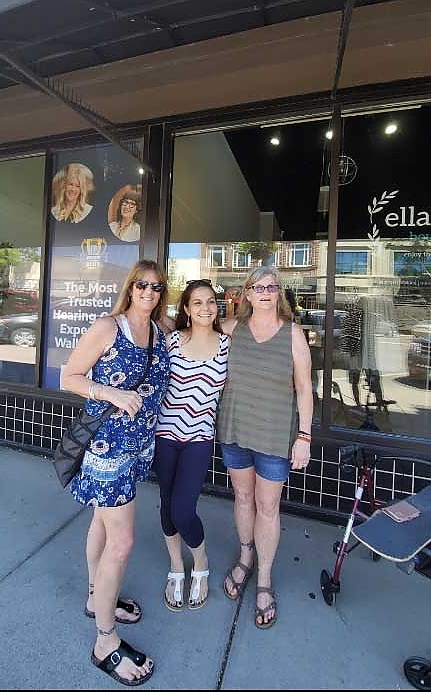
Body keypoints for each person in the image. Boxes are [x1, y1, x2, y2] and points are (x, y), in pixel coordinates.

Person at [62, 259, 170, 686]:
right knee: (122, 542)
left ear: (163, 293)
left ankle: (95, 598)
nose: (148, 291)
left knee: (103, 528)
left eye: (157, 286)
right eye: (141, 284)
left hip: (139, 449)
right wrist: (107, 391)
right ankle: (105, 641)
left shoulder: (159, 334)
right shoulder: (108, 327)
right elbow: (69, 375)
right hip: (108, 452)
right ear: (130, 287)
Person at [217, 265, 313, 629]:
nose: (265, 292)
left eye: (271, 287)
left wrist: (304, 437)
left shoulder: (293, 334)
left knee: (268, 506)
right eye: (257, 287)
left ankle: (265, 578)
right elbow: (192, 339)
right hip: (236, 428)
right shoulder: (229, 329)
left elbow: (304, 389)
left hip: (275, 435)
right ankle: (245, 558)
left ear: (279, 293)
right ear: (246, 294)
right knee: (243, 498)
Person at [153, 280, 229, 612]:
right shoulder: (171, 341)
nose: (204, 308)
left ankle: (200, 562)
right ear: (186, 308)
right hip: (165, 436)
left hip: (199, 438)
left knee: (184, 510)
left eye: (210, 302)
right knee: (167, 507)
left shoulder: (228, 343)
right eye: (196, 303)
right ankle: (175, 568)